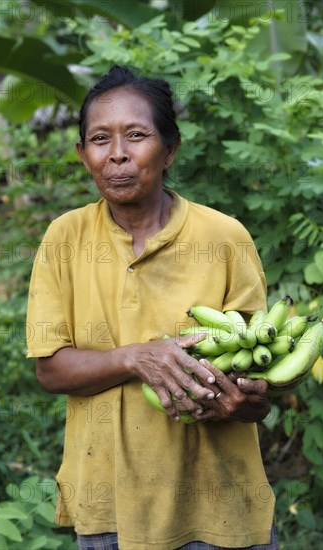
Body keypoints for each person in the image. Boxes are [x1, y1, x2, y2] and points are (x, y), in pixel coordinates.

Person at [26, 65, 278, 550]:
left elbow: (258, 373)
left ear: (170, 149)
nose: (117, 154)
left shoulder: (224, 237)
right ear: (83, 155)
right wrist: (136, 357)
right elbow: (51, 370)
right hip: (110, 508)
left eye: (136, 135)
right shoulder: (65, 238)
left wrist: (249, 401)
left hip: (220, 507)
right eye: (100, 139)